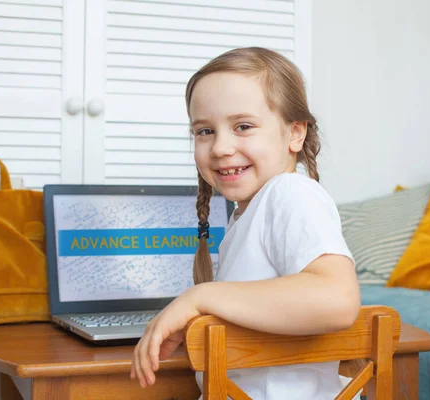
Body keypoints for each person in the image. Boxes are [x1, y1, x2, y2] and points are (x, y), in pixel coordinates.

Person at [130, 47, 361, 399]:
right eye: (204, 131)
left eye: (243, 126)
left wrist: (200, 297)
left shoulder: (290, 192)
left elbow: (337, 298)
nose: (220, 147)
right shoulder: (248, 213)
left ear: (294, 134)